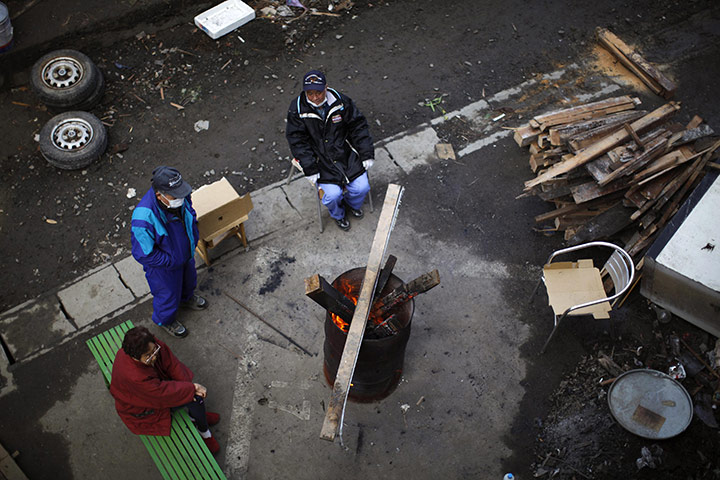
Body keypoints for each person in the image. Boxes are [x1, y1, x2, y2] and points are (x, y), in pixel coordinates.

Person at [286, 70, 375, 231]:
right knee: (332, 196)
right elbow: (297, 141)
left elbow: (358, 126)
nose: (314, 97)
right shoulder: (297, 110)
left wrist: (366, 152)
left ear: (326, 88)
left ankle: (351, 204)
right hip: (320, 161)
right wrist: (310, 167)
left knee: (363, 187)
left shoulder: (341, 102)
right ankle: (339, 215)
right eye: (310, 93)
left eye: (318, 92)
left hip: (344, 153)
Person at [109, 326, 220, 453]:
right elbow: (161, 394)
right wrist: (191, 388)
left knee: (192, 394)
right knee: (195, 398)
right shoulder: (136, 377)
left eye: (155, 350)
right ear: (135, 357)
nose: (154, 356)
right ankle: (204, 431)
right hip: (143, 407)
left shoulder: (149, 346)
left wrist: (187, 385)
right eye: (148, 356)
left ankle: (196, 416)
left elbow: (171, 364)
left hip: (154, 391)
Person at [131, 166, 208, 338]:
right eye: (176, 195)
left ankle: (187, 299)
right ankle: (165, 320)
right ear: (160, 195)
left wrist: (192, 236)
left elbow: (190, 211)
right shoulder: (143, 219)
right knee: (167, 295)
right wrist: (171, 261)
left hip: (185, 255)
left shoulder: (180, 195)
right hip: (164, 269)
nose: (181, 197)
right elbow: (143, 254)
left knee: (189, 281)